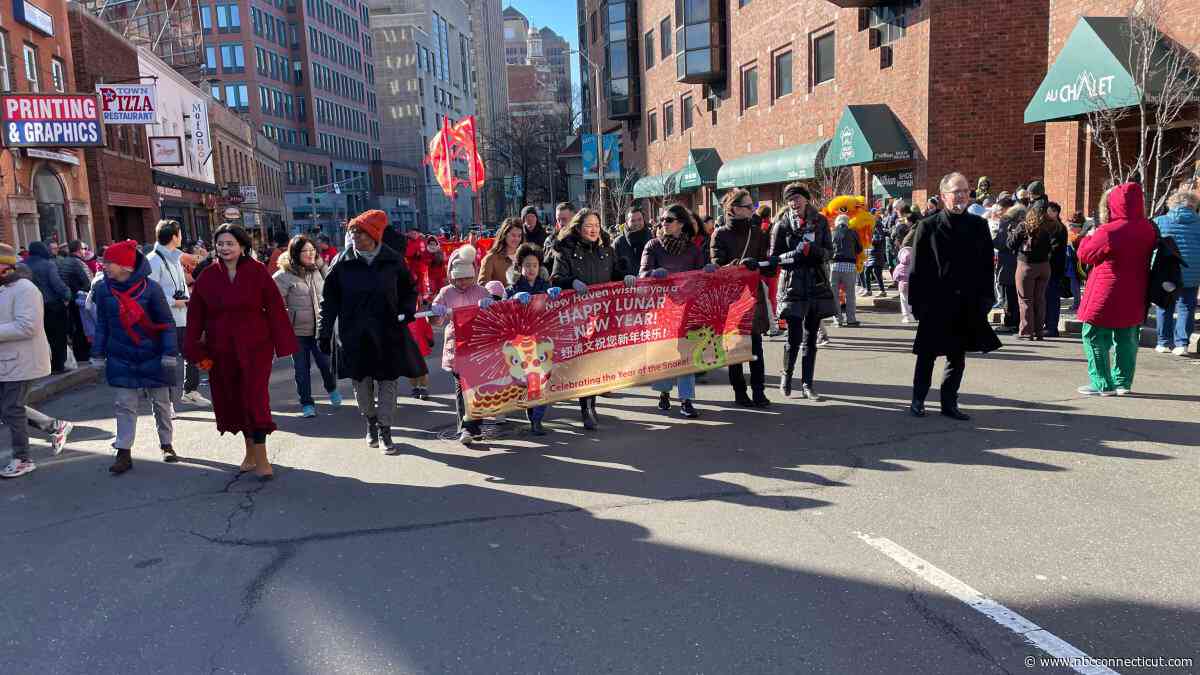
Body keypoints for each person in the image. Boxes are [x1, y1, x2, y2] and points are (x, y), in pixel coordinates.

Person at [186, 224, 297, 481]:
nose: (225, 248)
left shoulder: (257, 272)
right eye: (221, 244)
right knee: (234, 398)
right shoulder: (208, 276)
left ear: (243, 246)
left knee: (255, 397)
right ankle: (249, 450)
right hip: (221, 348)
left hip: (256, 346)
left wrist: (284, 344)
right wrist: (195, 349)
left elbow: (275, 308)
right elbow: (195, 317)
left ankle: (261, 454)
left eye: (230, 243)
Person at [318, 210, 425, 453]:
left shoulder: (393, 260)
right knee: (361, 383)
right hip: (353, 335)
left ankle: (385, 430)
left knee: (388, 381)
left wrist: (407, 310)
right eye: (352, 233)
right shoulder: (341, 263)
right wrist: (323, 333)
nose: (355, 238)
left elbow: (409, 289)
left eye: (360, 234)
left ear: (374, 235)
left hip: (387, 332)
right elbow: (329, 302)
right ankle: (370, 422)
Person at [907, 172, 1001, 420]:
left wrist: (985, 300)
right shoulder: (927, 226)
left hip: (966, 303)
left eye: (965, 191)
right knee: (927, 355)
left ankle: (949, 402)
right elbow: (916, 269)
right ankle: (918, 399)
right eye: (956, 191)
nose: (961, 196)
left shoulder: (978, 225)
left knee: (957, 356)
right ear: (943, 196)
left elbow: (985, 267)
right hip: (934, 303)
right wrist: (917, 304)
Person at [89, 240, 179, 474]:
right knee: (124, 405)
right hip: (120, 356)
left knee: (161, 403)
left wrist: (169, 353)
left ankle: (166, 444)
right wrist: (97, 354)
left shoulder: (151, 289)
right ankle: (123, 452)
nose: (104, 265)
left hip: (153, 354)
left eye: (109, 262)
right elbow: (102, 325)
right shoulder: (102, 289)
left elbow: (166, 323)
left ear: (125, 266)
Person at [550, 208, 637, 428]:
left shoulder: (606, 249)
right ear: (578, 228)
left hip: (603, 314)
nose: (593, 230)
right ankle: (586, 407)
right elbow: (556, 278)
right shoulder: (565, 250)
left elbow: (615, 273)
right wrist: (571, 282)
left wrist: (625, 276)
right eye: (588, 226)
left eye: (596, 226)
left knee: (598, 362)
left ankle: (591, 402)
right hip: (577, 315)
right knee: (584, 362)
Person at [1075, 183, 1157, 395]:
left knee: (1093, 334)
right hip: (1136, 291)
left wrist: (1087, 237)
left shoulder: (1109, 231)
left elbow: (1086, 255)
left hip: (1106, 290)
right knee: (1127, 336)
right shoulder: (1148, 228)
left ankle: (1101, 383)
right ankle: (1123, 382)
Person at [641, 204, 711, 418]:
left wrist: (708, 270)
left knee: (687, 354)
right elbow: (642, 275)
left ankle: (686, 399)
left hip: (687, 309)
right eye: (662, 220)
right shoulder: (653, 246)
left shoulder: (693, 250)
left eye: (668, 220)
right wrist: (654, 273)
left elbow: (703, 276)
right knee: (664, 354)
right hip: (662, 310)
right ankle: (663, 393)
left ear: (681, 223)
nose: (664, 223)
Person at [770, 183, 834, 401]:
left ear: (806, 199)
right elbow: (774, 258)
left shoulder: (820, 222)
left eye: (797, 198)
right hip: (792, 286)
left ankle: (808, 384)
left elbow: (829, 253)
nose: (793, 203)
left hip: (815, 285)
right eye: (789, 199)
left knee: (811, 338)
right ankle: (786, 376)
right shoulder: (782, 225)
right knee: (794, 337)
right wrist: (794, 254)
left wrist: (813, 250)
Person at [711, 188, 773, 407]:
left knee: (756, 347)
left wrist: (768, 264)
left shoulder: (757, 233)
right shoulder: (720, 234)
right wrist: (740, 264)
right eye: (748, 206)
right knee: (736, 350)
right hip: (732, 301)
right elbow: (718, 267)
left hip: (752, 297)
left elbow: (765, 263)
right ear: (735, 209)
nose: (752, 210)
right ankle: (739, 391)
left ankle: (759, 391)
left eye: (753, 206)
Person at [0, 246, 55, 479]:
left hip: (24, 360)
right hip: (8, 359)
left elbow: (27, 326)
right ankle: (54, 426)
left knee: (11, 408)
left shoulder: (25, 289)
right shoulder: (5, 288)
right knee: (8, 407)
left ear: (5, 265)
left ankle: (23, 459)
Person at [274, 235, 342, 418]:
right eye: (306, 251)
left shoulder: (318, 270)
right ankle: (306, 403)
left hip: (320, 329)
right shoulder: (283, 276)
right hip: (297, 332)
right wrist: (286, 318)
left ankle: (332, 389)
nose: (311, 254)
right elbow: (273, 302)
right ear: (295, 253)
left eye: (313, 250)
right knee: (301, 370)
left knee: (326, 364)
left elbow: (334, 289)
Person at [430, 244, 490, 445]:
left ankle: (475, 426)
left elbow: (495, 317)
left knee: (478, 387)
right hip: (456, 346)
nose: (464, 282)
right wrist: (435, 312)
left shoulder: (481, 292)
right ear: (452, 276)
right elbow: (436, 321)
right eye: (459, 278)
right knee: (461, 388)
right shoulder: (446, 292)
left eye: (468, 278)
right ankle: (465, 428)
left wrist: (490, 304)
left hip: (477, 345)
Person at [147, 220, 209, 406]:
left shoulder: (175, 257)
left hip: (183, 317)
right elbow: (149, 292)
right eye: (180, 234)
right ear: (174, 237)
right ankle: (165, 403)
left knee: (193, 354)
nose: (182, 237)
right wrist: (174, 301)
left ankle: (190, 391)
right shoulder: (153, 260)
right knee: (167, 362)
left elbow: (183, 280)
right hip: (164, 320)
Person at [506, 243, 558, 434]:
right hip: (520, 341)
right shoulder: (513, 287)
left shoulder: (545, 285)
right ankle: (529, 410)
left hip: (541, 340)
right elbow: (503, 307)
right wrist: (513, 298)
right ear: (520, 267)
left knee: (541, 379)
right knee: (525, 380)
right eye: (527, 265)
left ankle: (537, 419)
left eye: (534, 265)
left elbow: (553, 310)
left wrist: (553, 295)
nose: (531, 269)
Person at [1153, 189, 1200, 355]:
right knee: (1187, 306)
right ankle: (1182, 344)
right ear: (1193, 205)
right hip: (1193, 271)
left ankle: (1163, 342)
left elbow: (1153, 248)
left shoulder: (1160, 221)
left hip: (1168, 272)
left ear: (1171, 204)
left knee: (1165, 304)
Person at [1007, 205, 1056, 340]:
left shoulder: (1023, 227)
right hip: (1044, 266)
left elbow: (1010, 244)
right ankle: (1039, 331)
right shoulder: (1049, 227)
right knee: (1040, 300)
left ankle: (1027, 332)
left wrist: (1011, 233)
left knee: (1025, 300)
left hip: (1026, 266)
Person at [25, 241, 70, 373]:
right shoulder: (48, 265)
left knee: (40, 338)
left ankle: (42, 366)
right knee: (57, 336)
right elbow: (57, 284)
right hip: (52, 305)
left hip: (31, 306)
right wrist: (67, 295)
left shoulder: (22, 265)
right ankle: (58, 366)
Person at [57, 240, 93, 364]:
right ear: (79, 250)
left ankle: (79, 353)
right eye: (84, 248)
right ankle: (83, 353)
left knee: (75, 327)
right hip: (77, 299)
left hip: (68, 299)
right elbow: (88, 282)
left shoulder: (64, 261)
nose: (86, 251)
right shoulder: (78, 263)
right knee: (82, 326)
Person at [993, 203, 1024, 333]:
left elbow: (1002, 244)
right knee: (1017, 296)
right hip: (1019, 262)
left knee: (1008, 296)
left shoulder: (1005, 223)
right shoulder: (1022, 224)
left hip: (1007, 264)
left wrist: (992, 238)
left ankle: (1010, 323)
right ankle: (1018, 321)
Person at [1042, 202, 1069, 337]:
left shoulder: (1058, 228)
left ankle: (1051, 327)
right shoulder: (1053, 227)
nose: (1046, 214)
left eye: (1048, 211)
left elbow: (1055, 249)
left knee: (1052, 298)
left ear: (1055, 212)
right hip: (1050, 268)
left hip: (1054, 269)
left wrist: (1044, 254)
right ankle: (1048, 325)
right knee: (1047, 297)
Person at [478, 217, 524, 286]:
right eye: (513, 235)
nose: (516, 239)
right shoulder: (491, 258)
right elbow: (482, 287)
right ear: (504, 235)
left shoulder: (524, 257)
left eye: (519, 236)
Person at [613, 206, 652, 277]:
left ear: (643, 220)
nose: (636, 223)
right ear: (626, 222)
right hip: (627, 286)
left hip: (650, 284)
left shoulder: (652, 239)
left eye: (639, 219)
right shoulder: (618, 243)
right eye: (633, 220)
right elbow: (613, 269)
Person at [894, 241, 916, 323]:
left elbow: (895, 277)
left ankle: (906, 316)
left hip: (902, 287)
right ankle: (912, 315)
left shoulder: (899, 267)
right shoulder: (913, 266)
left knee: (904, 302)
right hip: (913, 287)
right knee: (912, 302)